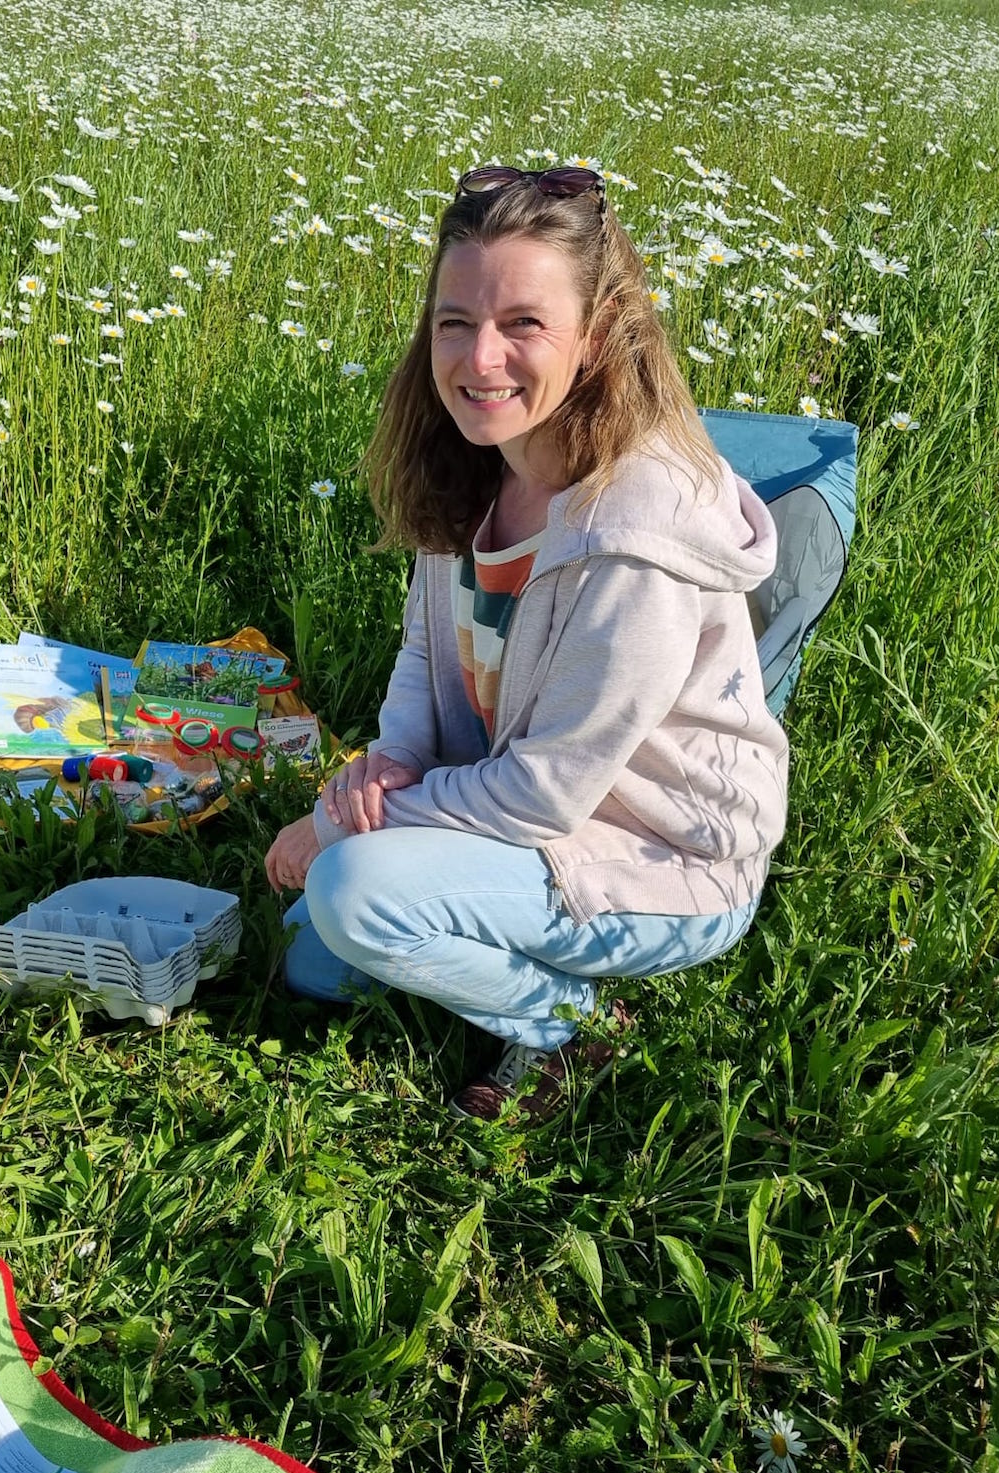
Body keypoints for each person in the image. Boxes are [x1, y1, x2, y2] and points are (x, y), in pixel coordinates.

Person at [265, 165, 789, 1123]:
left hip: (660, 857)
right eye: (455, 322)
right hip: (524, 807)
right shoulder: (475, 461)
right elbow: (428, 650)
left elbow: (546, 793)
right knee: (311, 965)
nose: (480, 359)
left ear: (597, 335)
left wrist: (343, 824)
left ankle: (567, 1019)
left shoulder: (636, 531)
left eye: (524, 324)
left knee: (350, 895)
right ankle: (463, 938)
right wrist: (391, 763)